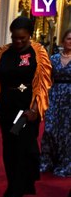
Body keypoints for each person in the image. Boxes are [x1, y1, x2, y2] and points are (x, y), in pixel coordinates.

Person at [0, 16, 52, 197]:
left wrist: (34, 109)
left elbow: (43, 83)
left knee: (21, 149)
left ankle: (15, 191)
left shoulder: (38, 53)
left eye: (23, 38)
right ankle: (16, 185)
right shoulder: (3, 53)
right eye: (15, 38)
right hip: (6, 110)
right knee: (9, 150)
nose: (18, 42)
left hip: (26, 112)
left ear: (30, 36)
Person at [39, 29, 71, 177]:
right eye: (69, 39)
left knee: (66, 132)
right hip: (54, 95)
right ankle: (46, 161)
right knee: (49, 129)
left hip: (69, 99)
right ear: (63, 40)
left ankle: (65, 164)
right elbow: (45, 79)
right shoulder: (53, 58)